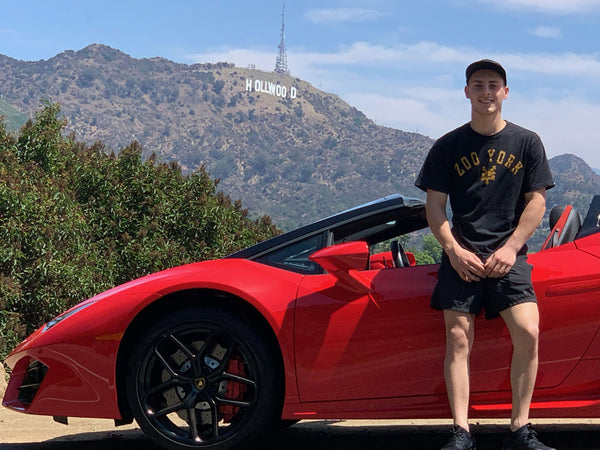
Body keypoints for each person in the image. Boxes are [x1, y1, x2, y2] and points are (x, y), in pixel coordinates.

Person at [415, 59, 555, 450]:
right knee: (458, 338)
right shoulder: (447, 146)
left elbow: (537, 202)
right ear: (467, 92)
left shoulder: (527, 142)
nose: (486, 92)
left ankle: (520, 428)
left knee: (529, 331)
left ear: (505, 92)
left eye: (494, 85)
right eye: (478, 85)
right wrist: (453, 250)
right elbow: (435, 206)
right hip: (462, 255)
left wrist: (511, 248)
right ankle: (461, 432)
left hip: (510, 256)